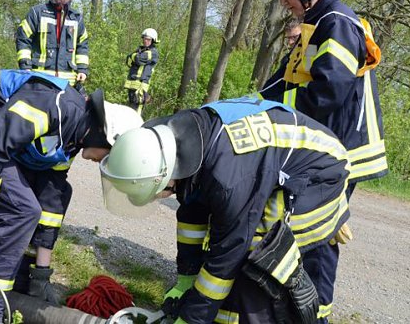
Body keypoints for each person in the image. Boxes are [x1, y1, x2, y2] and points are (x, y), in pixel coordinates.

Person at [99, 97, 352, 324]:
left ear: (165, 179)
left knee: (258, 256)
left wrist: (192, 319)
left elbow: (227, 256)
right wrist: (186, 279)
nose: (160, 198)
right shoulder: (174, 140)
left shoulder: (227, 181)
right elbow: (191, 212)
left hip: (320, 174)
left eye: (157, 194)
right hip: (268, 165)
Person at [0, 69, 142, 323]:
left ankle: (20, 283)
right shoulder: (57, 107)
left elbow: (51, 197)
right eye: (107, 156)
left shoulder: (74, 137)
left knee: (48, 197)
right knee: (20, 210)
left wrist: (40, 273)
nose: (100, 161)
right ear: (105, 136)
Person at [256, 0, 385, 322]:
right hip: (323, 145)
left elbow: (329, 91)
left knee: (319, 234)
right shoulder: (317, 20)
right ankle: (295, 307)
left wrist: (278, 113)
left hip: (343, 149)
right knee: (300, 228)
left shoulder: (337, 23)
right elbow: (288, 78)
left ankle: (316, 315)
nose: (284, 5)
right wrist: (255, 102)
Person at [16, 0, 89, 85]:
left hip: (68, 83)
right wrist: (25, 67)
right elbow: (23, 39)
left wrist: (83, 70)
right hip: (39, 80)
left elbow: (82, 45)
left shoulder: (77, 18)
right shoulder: (37, 13)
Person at [124, 28, 160, 115]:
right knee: (130, 111)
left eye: (148, 39)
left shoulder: (153, 52)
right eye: (144, 38)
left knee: (136, 112)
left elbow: (138, 59)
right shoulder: (140, 50)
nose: (145, 41)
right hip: (132, 85)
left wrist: (134, 57)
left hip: (141, 86)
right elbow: (128, 60)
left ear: (153, 40)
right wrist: (134, 57)